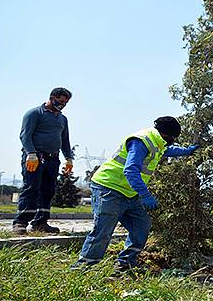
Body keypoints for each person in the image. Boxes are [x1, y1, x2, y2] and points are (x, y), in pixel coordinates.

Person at [72, 116, 199, 272]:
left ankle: (126, 263)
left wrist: (187, 151)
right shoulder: (142, 141)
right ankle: (84, 268)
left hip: (129, 193)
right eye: (173, 138)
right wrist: (145, 195)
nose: (172, 142)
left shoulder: (158, 141)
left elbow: (167, 150)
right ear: (167, 135)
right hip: (109, 188)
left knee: (141, 226)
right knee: (103, 230)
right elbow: (130, 170)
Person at [13, 87, 74, 235]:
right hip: (35, 157)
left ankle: (40, 222)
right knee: (31, 188)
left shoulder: (62, 119)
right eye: (60, 101)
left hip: (53, 159)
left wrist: (68, 158)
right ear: (52, 98)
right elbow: (25, 136)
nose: (62, 105)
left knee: (48, 191)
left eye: (65, 103)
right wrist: (31, 153)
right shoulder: (34, 113)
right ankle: (20, 222)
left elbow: (65, 140)